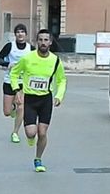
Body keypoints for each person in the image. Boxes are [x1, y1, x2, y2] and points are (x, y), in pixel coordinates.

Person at [9, 29, 67, 172]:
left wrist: (59, 96)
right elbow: (14, 73)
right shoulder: (27, 58)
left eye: (46, 40)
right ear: (36, 42)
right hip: (30, 99)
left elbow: (61, 80)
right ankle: (30, 136)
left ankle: (38, 159)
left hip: (45, 99)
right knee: (31, 133)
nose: (43, 43)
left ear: (50, 43)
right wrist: (17, 90)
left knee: (42, 132)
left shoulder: (55, 60)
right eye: (40, 40)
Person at [0, 24, 34, 143]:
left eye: (22, 32)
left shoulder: (31, 48)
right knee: (7, 112)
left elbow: (36, 62)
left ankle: (15, 132)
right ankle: (11, 108)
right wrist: (7, 64)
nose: (20, 34)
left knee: (21, 106)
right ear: (15, 34)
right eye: (18, 32)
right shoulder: (9, 46)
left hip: (23, 82)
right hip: (9, 81)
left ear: (26, 35)